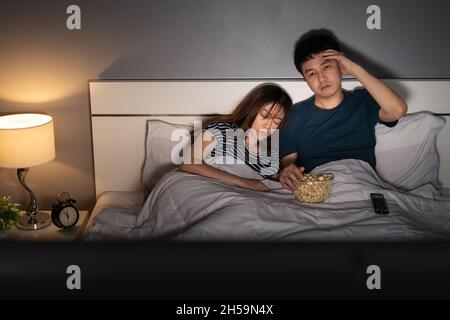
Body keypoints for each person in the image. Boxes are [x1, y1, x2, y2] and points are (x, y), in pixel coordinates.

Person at [279, 30, 408, 190]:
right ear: (306, 80)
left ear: (340, 66)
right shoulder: (294, 116)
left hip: (362, 185)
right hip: (318, 190)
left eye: (326, 67)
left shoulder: (363, 101)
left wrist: (355, 70)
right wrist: (287, 170)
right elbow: (288, 161)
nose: (321, 78)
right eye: (312, 73)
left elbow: (397, 110)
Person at [179, 83, 293, 192]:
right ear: (251, 109)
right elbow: (188, 163)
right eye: (264, 115)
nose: (268, 126)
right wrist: (244, 182)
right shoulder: (221, 130)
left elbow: (272, 185)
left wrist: (286, 175)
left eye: (277, 121)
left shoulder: (270, 157)